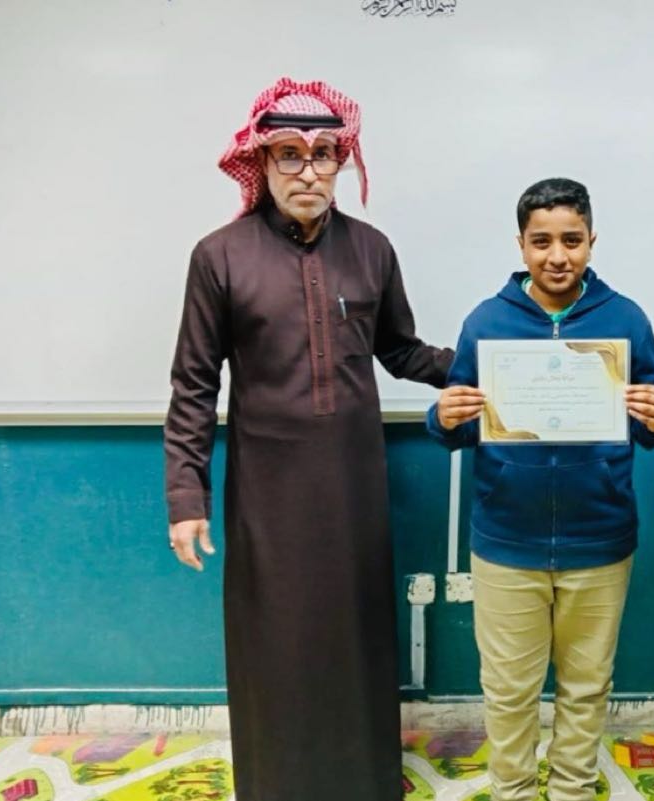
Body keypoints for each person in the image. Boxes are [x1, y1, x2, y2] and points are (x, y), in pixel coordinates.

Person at [163, 77, 453, 801]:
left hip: (355, 489)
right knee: (277, 644)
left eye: (323, 154)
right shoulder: (219, 256)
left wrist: (485, 367)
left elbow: (401, 349)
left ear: (341, 161)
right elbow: (194, 384)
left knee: (355, 639)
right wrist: (186, 497)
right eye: (289, 154)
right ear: (261, 162)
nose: (307, 172)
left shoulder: (372, 250)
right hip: (268, 496)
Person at [427, 178, 654, 801]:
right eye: (541, 242)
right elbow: (460, 424)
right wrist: (444, 416)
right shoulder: (486, 321)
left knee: (587, 685)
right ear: (521, 245)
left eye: (572, 240)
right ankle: (512, 790)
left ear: (592, 241)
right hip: (505, 541)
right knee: (508, 690)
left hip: (600, 539)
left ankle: (572, 788)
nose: (558, 256)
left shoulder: (626, 319)